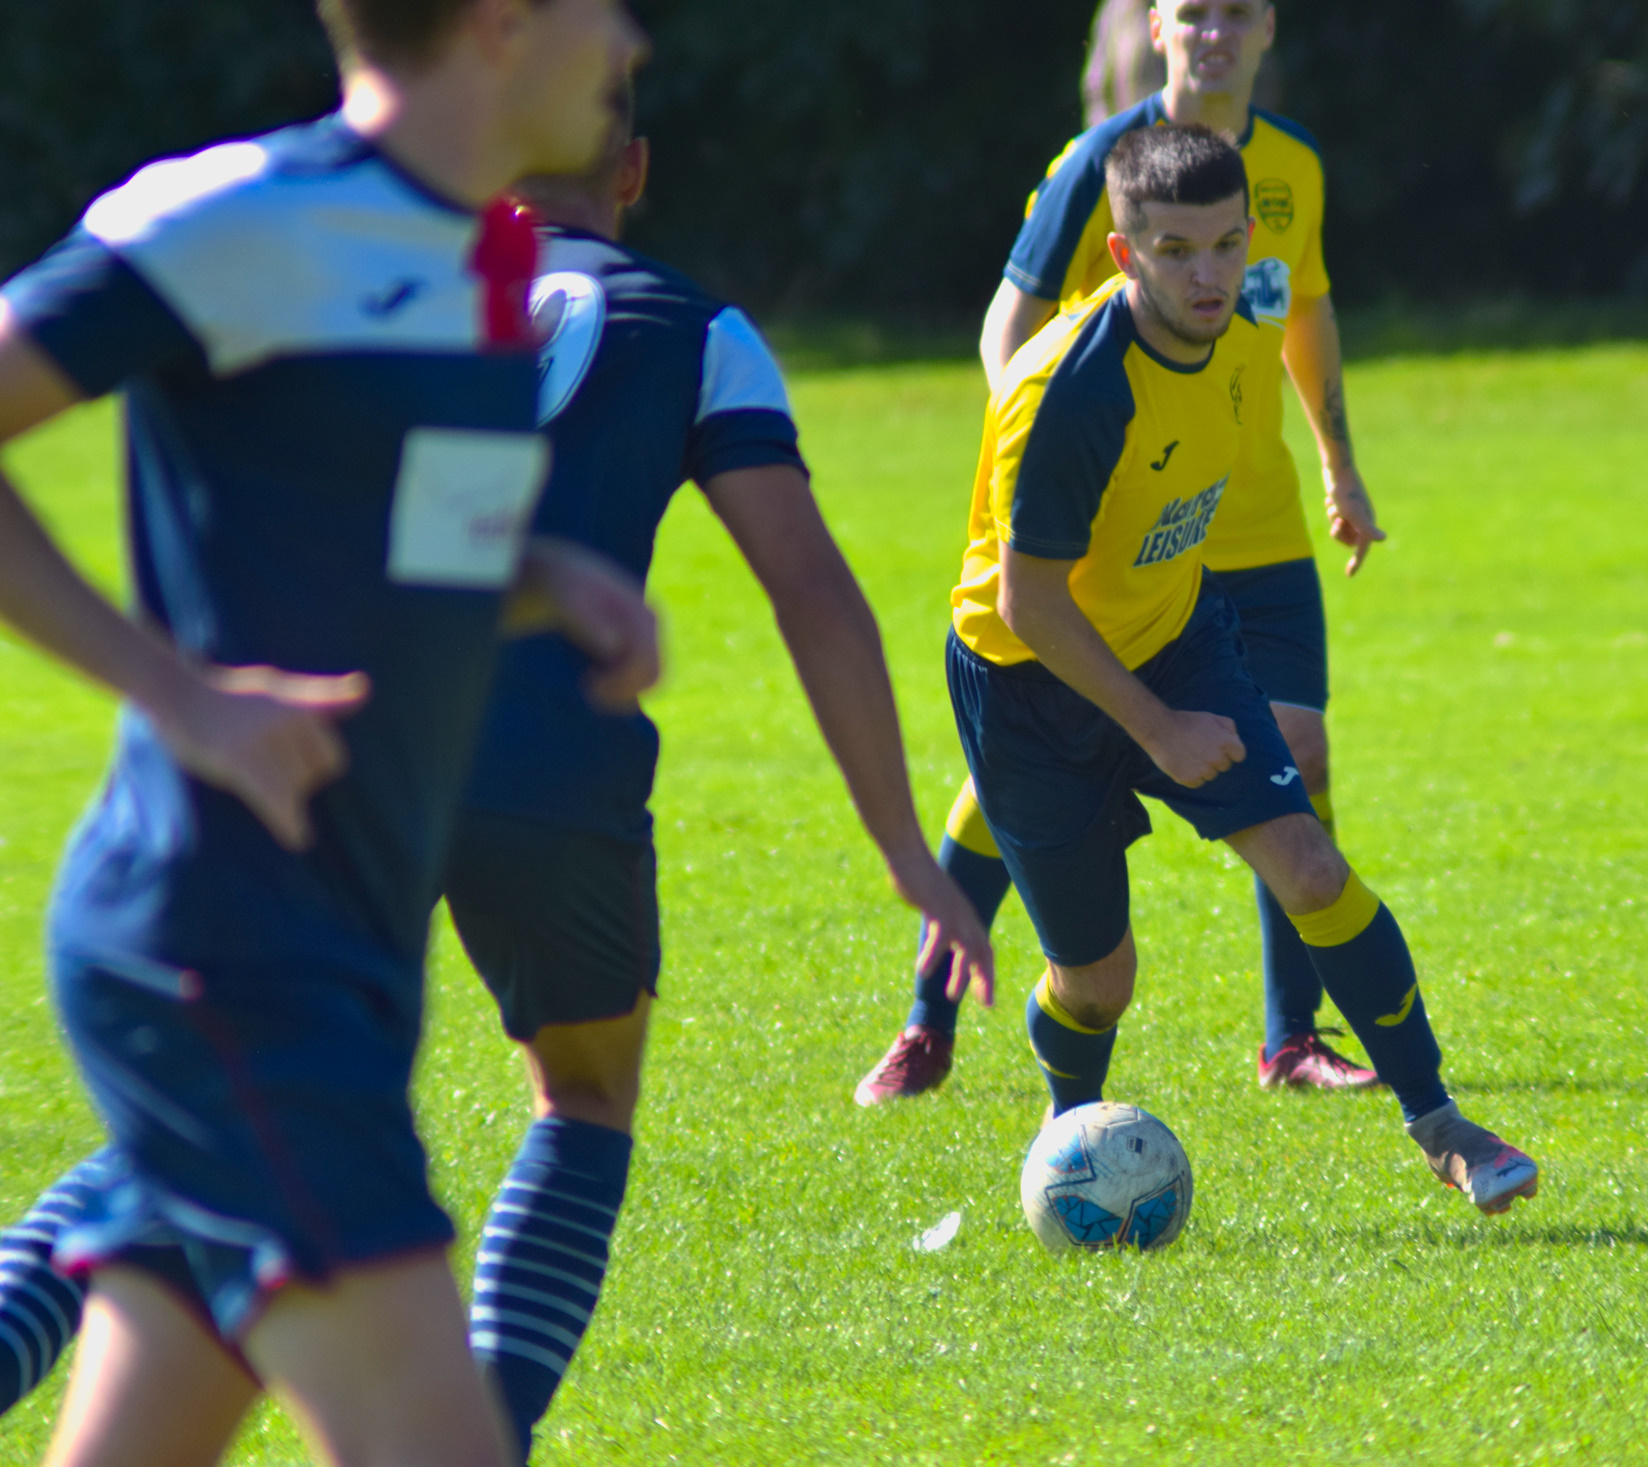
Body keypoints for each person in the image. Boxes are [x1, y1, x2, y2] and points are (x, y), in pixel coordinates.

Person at [0, 81, 996, 1462]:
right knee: (574, 1096)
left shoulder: (405, 274)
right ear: (633, 166)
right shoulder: (690, 324)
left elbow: (391, 532)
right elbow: (810, 584)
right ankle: (494, 1424)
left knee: (225, 1112)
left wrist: (525, 576)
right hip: (551, 772)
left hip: (327, 757)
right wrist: (899, 840)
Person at [0, 1, 655, 1462]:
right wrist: (177, 689)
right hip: (228, 945)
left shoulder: (488, 260)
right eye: (602, 10)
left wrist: (553, 580)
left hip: (343, 952)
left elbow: (409, 549)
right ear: (503, 24)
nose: (630, 45)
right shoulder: (248, 215)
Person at [933, 124, 1538, 1217]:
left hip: (1175, 638)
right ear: (1124, 256)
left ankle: (1440, 1122)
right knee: (1098, 982)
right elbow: (1030, 604)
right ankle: (1068, 1140)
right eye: (1173, 250)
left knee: (1307, 863)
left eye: (1223, 245)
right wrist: (1159, 728)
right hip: (1031, 682)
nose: (1206, 274)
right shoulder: (1071, 392)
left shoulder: (1247, 324)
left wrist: (1335, 480)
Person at [858, 0, 1383, 1104]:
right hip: (1122, 544)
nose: (1216, 34)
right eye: (1195, 13)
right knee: (1001, 793)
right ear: (1154, 27)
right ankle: (927, 1020)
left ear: (1269, 28)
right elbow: (1012, 322)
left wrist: (1340, 464)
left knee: (1301, 756)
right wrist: (1047, 468)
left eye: (1238, 14)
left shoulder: (1294, 168)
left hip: (1254, 528)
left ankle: (1292, 1038)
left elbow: (1306, 314)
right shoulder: (1100, 162)